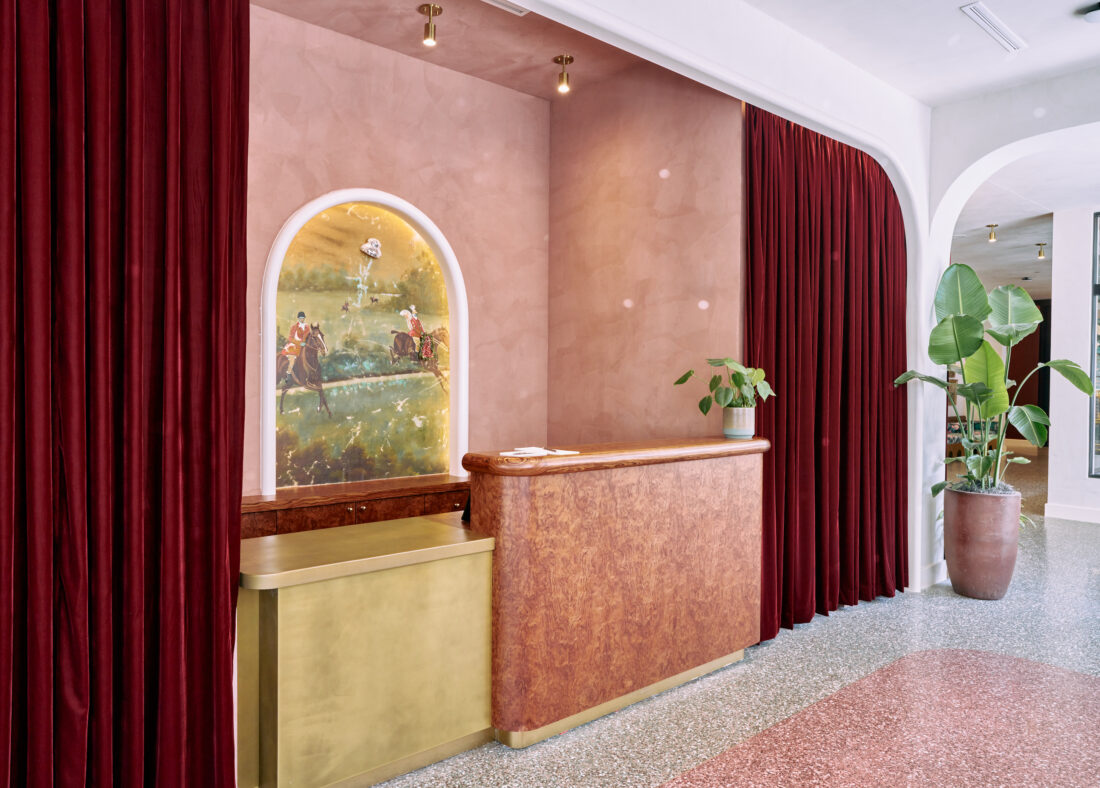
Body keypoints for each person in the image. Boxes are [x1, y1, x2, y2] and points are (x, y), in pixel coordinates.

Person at [281, 311, 311, 382]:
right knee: (292, 360)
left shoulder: (307, 327)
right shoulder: (294, 327)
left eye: (303, 318)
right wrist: (299, 343)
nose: (302, 319)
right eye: (300, 318)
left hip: (304, 346)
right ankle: (288, 375)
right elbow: (290, 338)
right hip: (294, 346)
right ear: (298, 318)